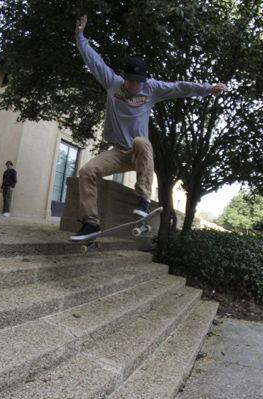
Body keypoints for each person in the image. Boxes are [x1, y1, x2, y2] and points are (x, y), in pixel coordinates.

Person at [69, 15, 228, 241]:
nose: (134, 86)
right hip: (118, 153)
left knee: (141, 141)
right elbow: (94, 61)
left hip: (139, 153)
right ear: (125, 78)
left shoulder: (151, 88)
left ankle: (143, 198)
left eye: (138, 81)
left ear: (144, 79)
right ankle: (91, 224)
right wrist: (80, 36)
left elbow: (179, 87)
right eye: (131, 81)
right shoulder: (112, 83)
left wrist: (207, 89)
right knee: (87, 171)